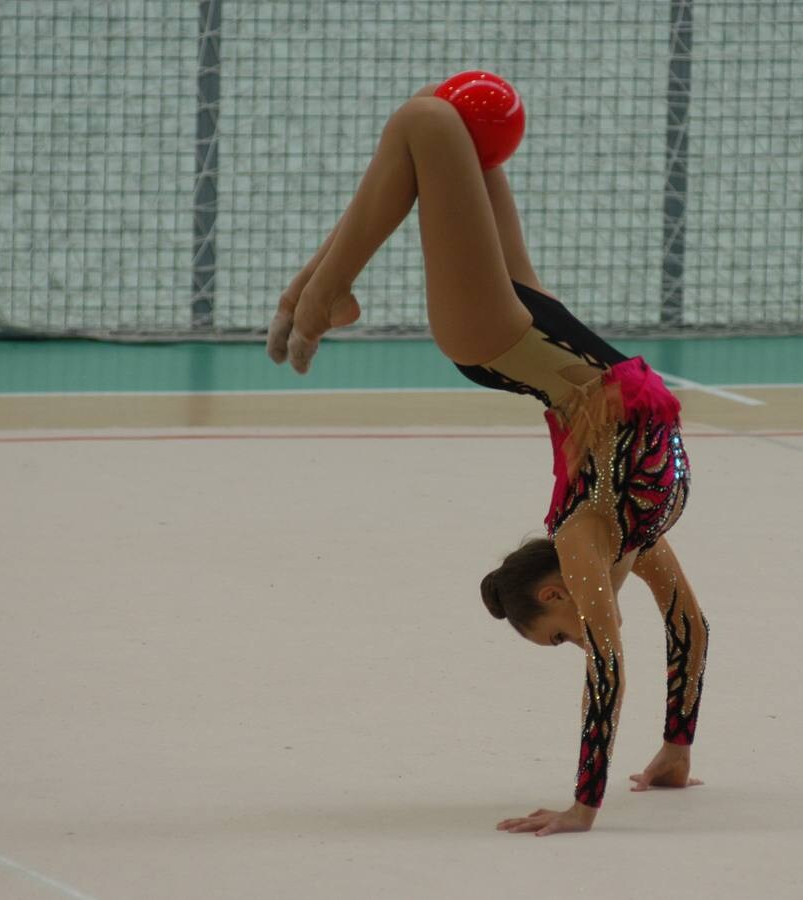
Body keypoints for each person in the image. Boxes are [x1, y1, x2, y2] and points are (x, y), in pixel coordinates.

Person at [267, 83, 709, 837]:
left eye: (560, 636)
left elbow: (634, 647)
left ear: (549, 591)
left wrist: (619, 777)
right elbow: (684, 627)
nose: (580, 636)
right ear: (553, 595)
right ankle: (319, 293)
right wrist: (659, 757)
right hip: (533, 327)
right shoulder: (624, 538)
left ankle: (317, 293)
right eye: (564, 633)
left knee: (425, 122)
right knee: (450, 127)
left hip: (501, 339)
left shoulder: (592, 534)